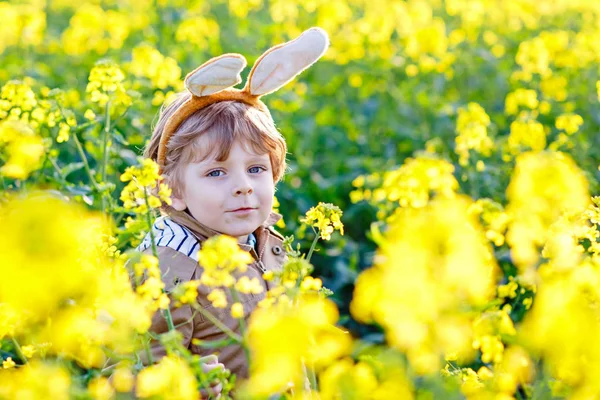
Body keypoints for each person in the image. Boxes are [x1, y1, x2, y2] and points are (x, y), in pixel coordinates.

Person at [136, 27, 329, 393]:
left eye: (256, 169)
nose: (243, 185)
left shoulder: (263, 240)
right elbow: (128, 370)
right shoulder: (168, 269)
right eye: (216, 172)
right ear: (171, 190)